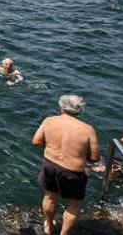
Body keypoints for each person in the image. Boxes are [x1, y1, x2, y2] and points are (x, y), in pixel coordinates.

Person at [32, 95, 100, 235]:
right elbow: (94, 157)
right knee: (74, 204)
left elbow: (36, 142)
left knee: (50, 196)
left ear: (61, 107)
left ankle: (49, 226)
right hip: (73, 171)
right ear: (80, 110)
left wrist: (52, 147)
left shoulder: (49, 121)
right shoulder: (88, 130)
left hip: (50, 164)